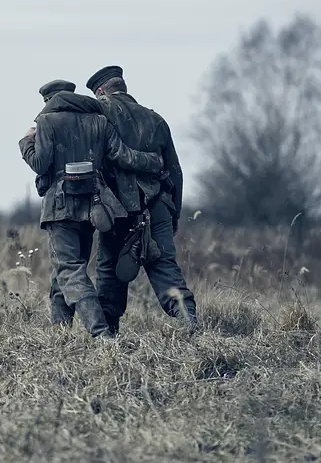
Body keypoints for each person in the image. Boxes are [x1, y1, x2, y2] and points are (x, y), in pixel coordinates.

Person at [19, 79, 164, 337]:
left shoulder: (47, 122)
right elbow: (123, 156)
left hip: (60, 208)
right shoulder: (99, 121)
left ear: (48, 101)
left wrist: (26, 142)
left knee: (69, 270)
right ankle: (59, 334)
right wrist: (154, 161)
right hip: (93, 208)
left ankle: (101, 334)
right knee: (65, 269)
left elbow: (40, 164)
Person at [85, 65, 197, 334]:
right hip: (156, 207)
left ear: (100, 92)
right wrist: (174, 215)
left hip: (117, 212)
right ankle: (189, 321)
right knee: (164, 268)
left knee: (110, 272)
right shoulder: (156, 119)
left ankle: (108, 336)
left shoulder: (98, 115)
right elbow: (175, 172)